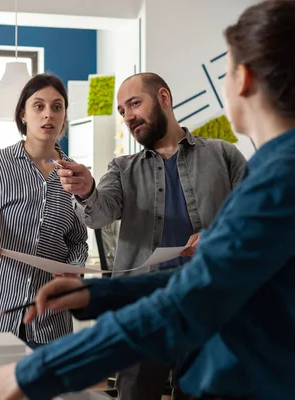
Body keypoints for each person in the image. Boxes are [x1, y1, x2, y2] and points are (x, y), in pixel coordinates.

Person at [0, 1, 295, 399]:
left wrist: (36, 372)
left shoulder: (284, 182)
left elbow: (193, 298)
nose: (127, 116)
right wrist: (98, 294)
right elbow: (204, 279)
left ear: (242, 78)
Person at [56, 70, 247, 400]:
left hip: (207, 305)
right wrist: (87, 190)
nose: (128, 116)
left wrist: (217, 237)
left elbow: (251, 218)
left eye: (134, 104)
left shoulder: (224, 155)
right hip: (144, 310)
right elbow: (99, 214)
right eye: (122, 111)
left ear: (163, 98)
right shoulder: (122, 168)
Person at [0, 73, 88, 349]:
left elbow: (78, 240)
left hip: (50, 316)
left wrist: (74, 269)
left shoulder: (75, 174)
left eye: (57, 106)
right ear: (23, 115)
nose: (48, 115)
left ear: (64, 115)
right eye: (38, 106)